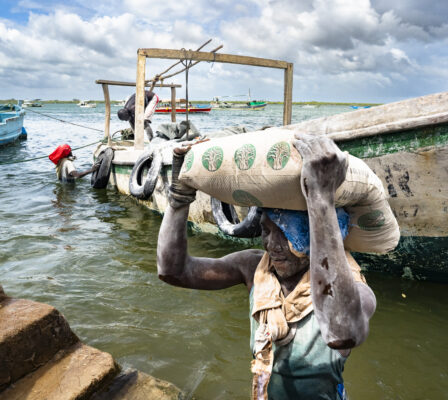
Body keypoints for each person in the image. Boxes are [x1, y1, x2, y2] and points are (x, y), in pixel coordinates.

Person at [156, 133, 377, 399]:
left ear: (314, 231)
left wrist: (320, 199)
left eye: (284, 231)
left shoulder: (355, 291)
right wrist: (179, 197)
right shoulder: (253, 268)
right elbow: (173, 271)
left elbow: (340, 332)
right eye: (266, 230)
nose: (271, 245)